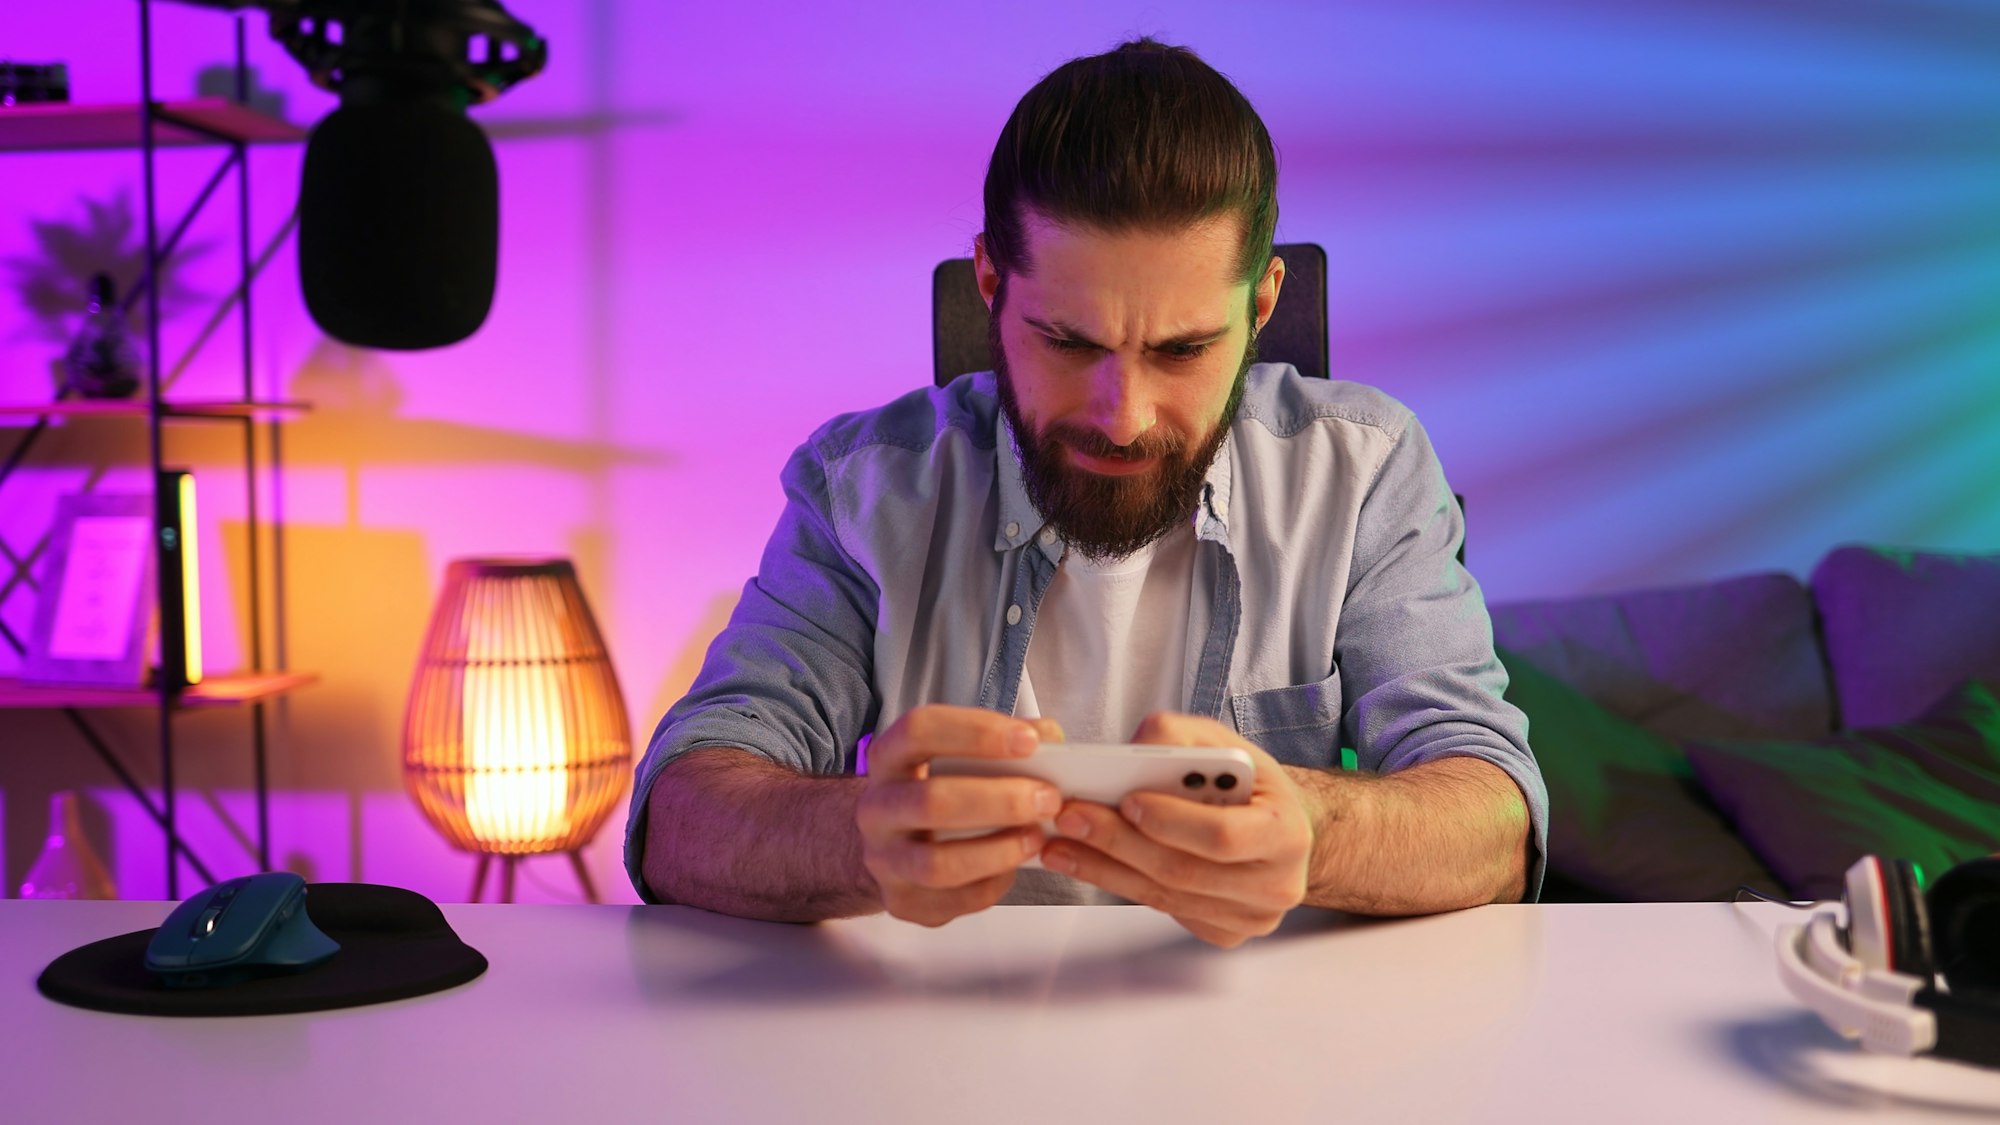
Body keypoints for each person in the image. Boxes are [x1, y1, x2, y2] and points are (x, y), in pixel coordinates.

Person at [624, 38, 1546, 948]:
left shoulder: (1364, 469)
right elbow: (680, 818)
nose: (1122, 416)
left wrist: (1313, 834)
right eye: (1068, 342)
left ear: (1263, 306)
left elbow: (1496, 822)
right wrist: (857, 839)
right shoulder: (862, 486)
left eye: (1182, 350)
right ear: (991, 282)